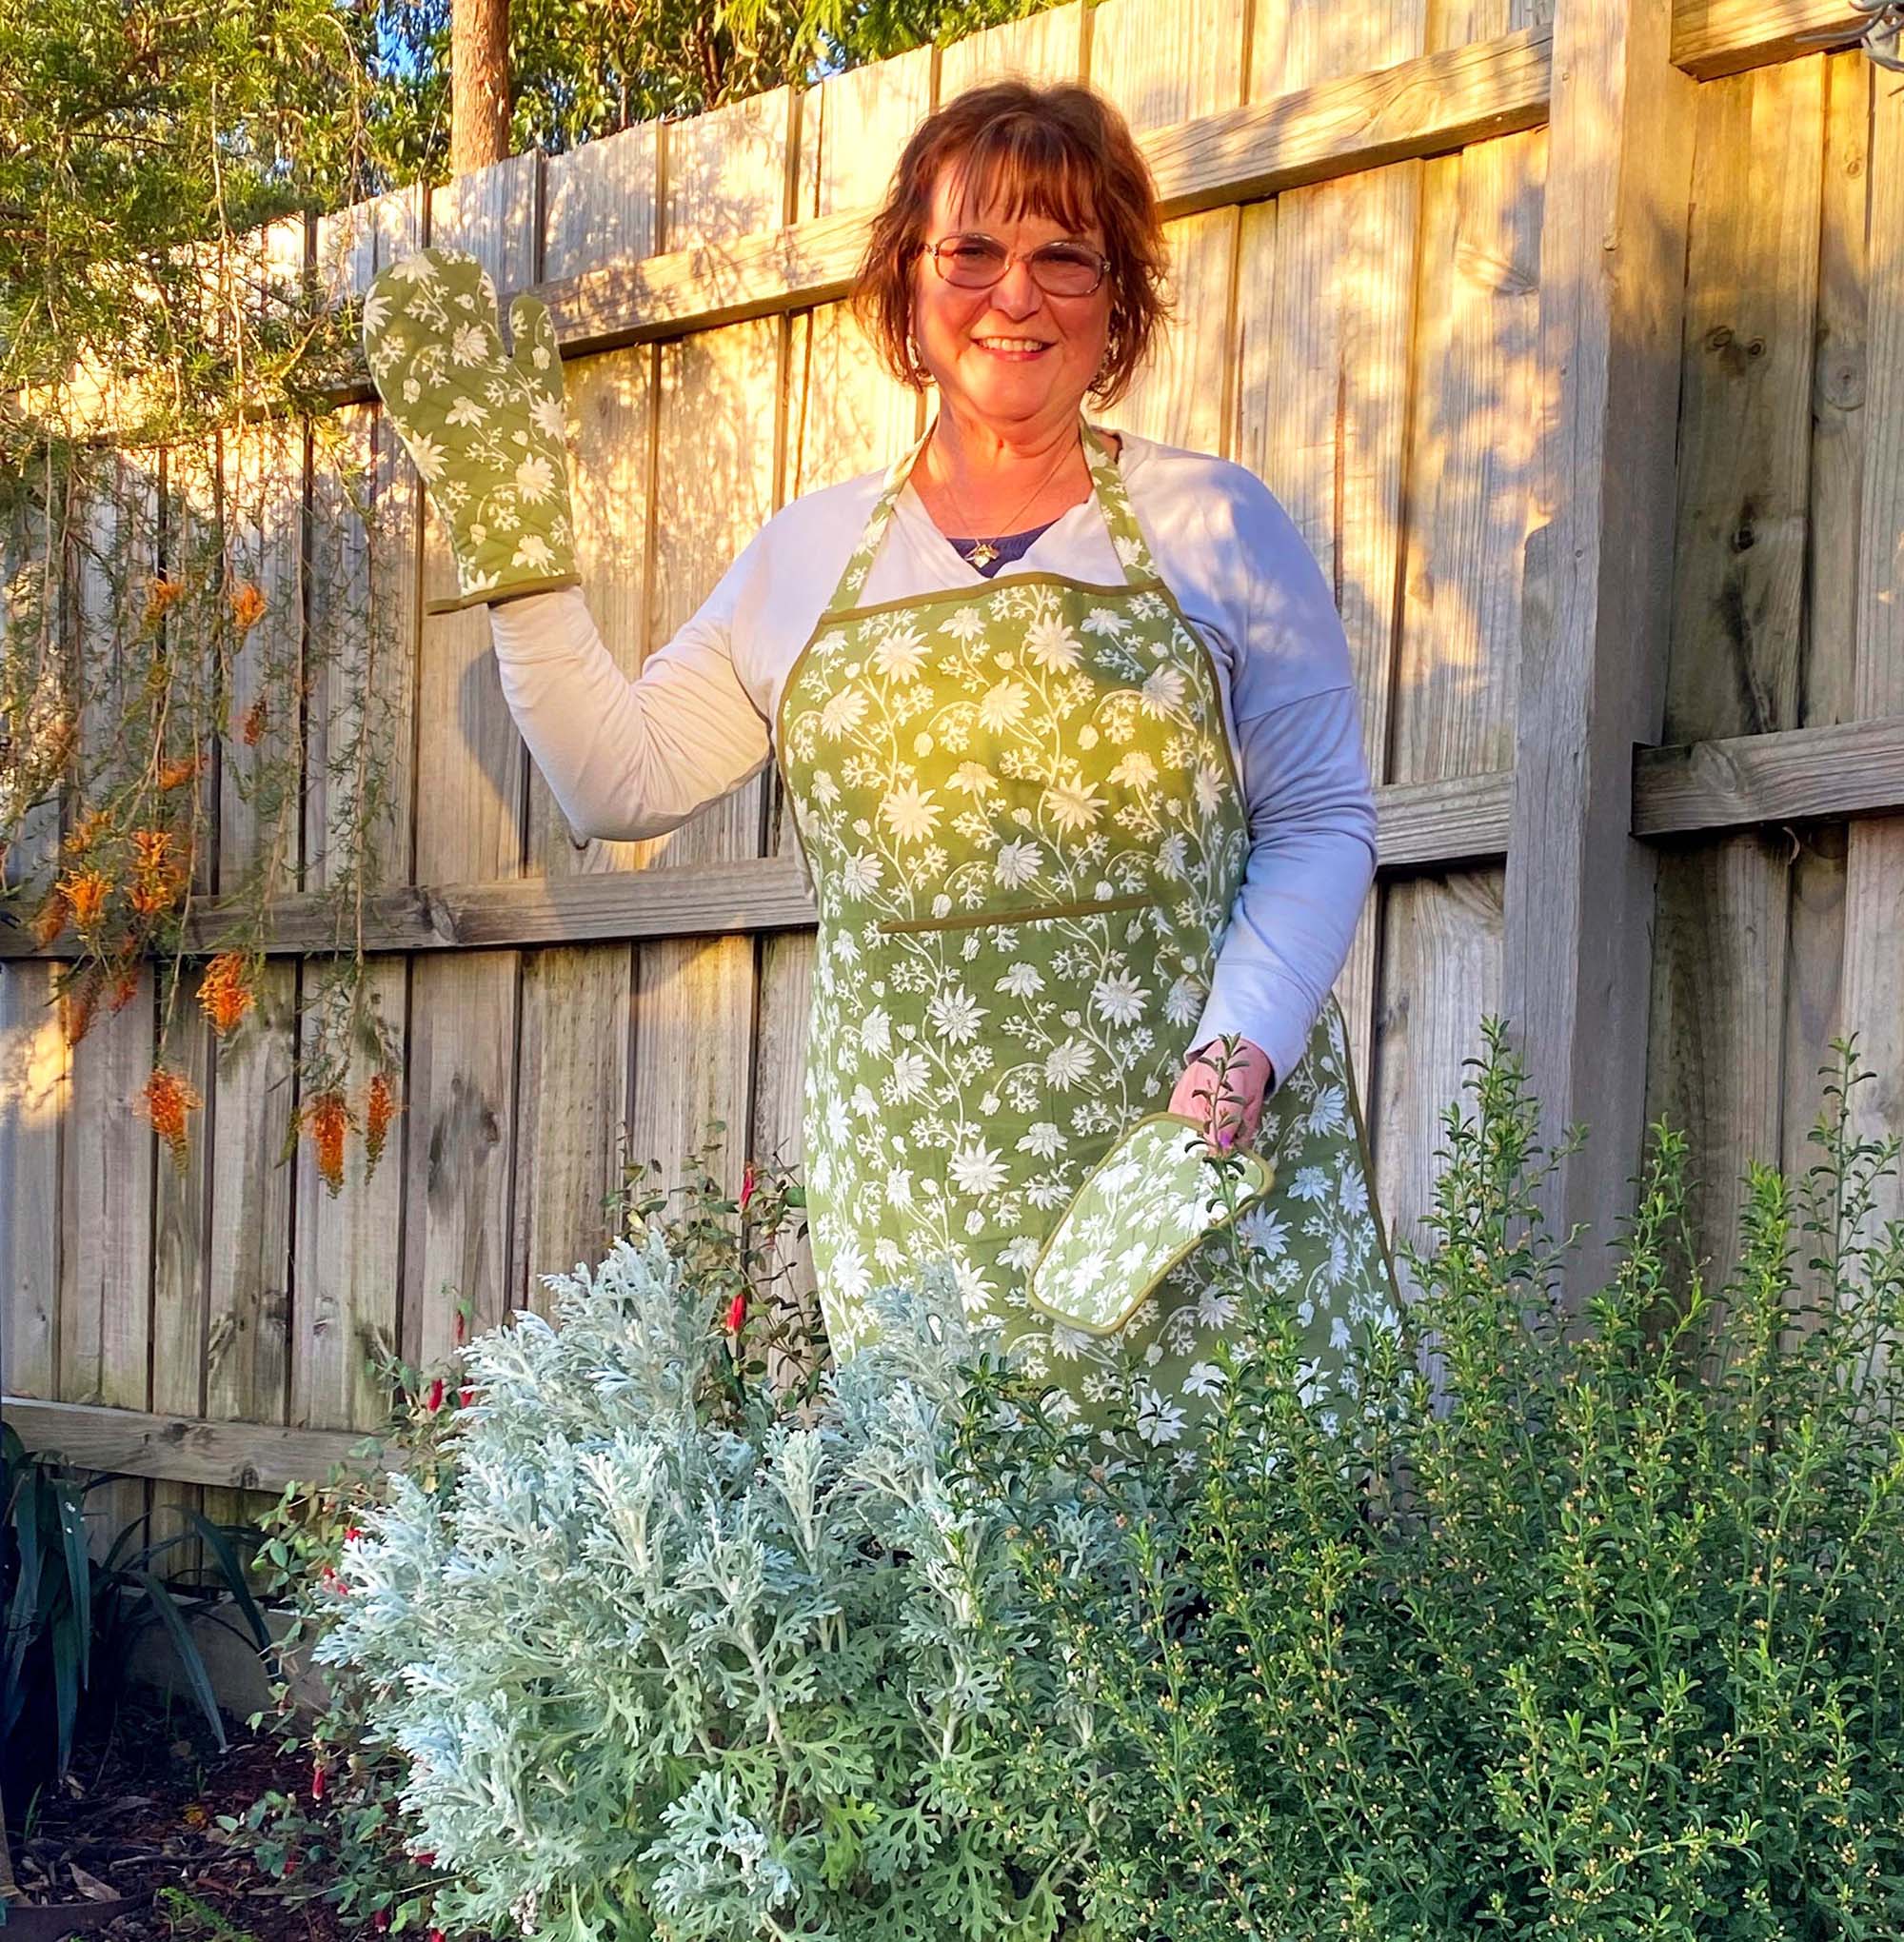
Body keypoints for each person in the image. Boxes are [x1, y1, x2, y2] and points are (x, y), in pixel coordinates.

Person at [362, 77, 1398, 1467]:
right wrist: (519, 557)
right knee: (971, 1613)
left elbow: (1321, 817)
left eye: (1063, 255)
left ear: (1117, 300)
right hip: (922, 1204)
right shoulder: (804, 557)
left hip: (1188, 1176)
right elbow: (625, 782)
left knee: (1246, 1618)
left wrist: (1228, 1075)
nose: (1013, 295)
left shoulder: (1214, 524)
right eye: (970, 251)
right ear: (907, 285)